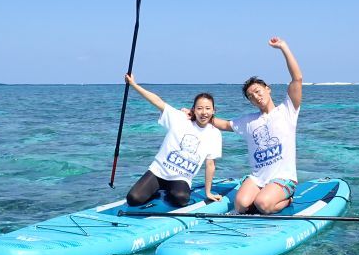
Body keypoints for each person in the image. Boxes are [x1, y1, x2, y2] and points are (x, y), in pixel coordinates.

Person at [211, 37, 302, 214]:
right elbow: (223, 124)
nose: (256, 97)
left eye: (257, 91)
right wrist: (196, 115)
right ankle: (263, 194)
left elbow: (297, 78)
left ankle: (287, 198)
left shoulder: (287, 110)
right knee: (241, 205)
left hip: (283, 178)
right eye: (251, 96)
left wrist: (283, 47)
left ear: (268, 88)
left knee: (263, 204)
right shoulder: (249, 121)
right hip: (258, 178)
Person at [124, 73, 223, 208]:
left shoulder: (215, 134)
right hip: (158, 171)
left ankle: (168, 192)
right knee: (133, 199)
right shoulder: (180, 119)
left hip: (180, 178)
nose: (203, 112)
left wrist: (208, 192)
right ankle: (156, 190)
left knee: (181, 199)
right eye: (199, 108)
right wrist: (134, 85)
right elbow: (158, 102)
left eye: (207, 108)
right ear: (193, 110)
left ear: (213, 110)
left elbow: (210, 164)